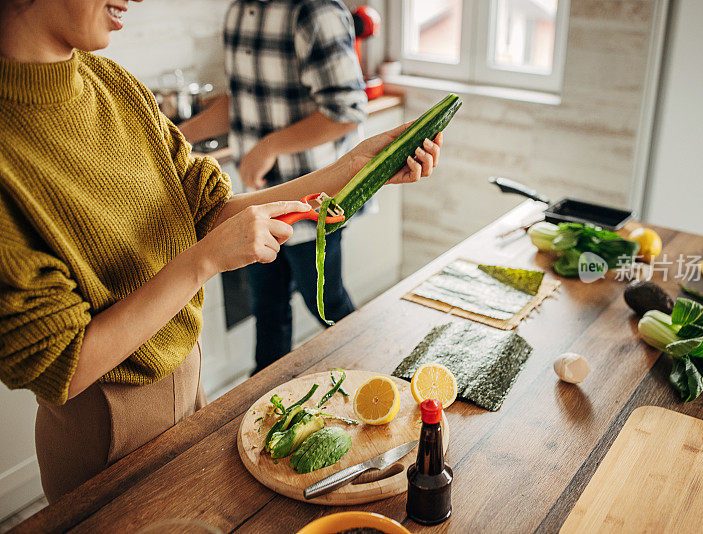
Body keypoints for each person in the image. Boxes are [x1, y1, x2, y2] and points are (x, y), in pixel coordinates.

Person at [0, 0, 442, 503]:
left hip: (190, 389)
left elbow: (209, 207)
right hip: (101, 428)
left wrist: (357, 167)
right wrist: (204, 259)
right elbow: (64, 363)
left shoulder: (111, 84)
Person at [180, 0, 368, 374]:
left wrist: (271, 145)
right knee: (267, 312)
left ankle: (374, 377)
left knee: (327, 305)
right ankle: (264, 412)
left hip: (312, 204)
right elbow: (244, 100)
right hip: (256, 207)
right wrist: (172, 137)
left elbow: (347, 111)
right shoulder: (237, 13)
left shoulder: (315, 12)